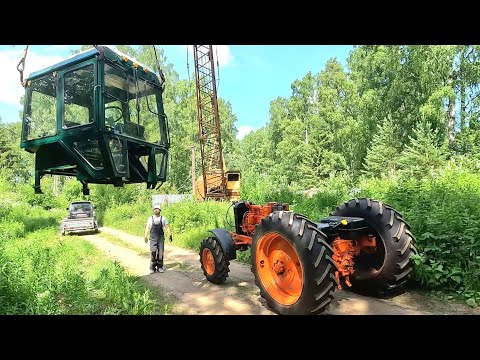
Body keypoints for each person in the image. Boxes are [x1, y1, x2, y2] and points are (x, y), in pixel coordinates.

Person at [144, 204, 172, 274]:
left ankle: (160, 267)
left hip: (160, 238)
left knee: (160, 253)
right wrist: (145, 236)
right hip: (153, 238)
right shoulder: (150, 219)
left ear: (160, 210)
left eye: (158, 209)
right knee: (153, 252)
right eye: (155, 209)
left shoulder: (163, 218)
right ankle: (152, 267)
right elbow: (147, 227)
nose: (156, 210)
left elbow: (167, 227)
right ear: (153, 210)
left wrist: (170, 235)